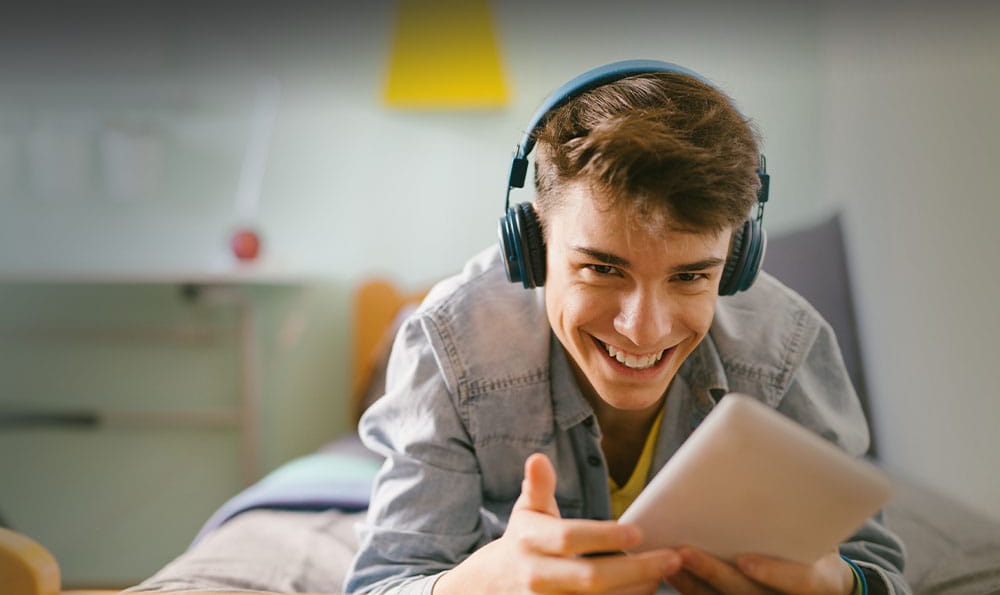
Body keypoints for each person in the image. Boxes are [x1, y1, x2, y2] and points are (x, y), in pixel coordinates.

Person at [344, 60, 908, 595]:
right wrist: (475, 585)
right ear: (533, 247)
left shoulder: (787, 346)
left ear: (734, 265)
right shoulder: (450, 343)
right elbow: (385, 580)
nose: (642, 330)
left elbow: (876, 566)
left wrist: (840, 584)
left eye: (690, 276)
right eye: (602, 268)